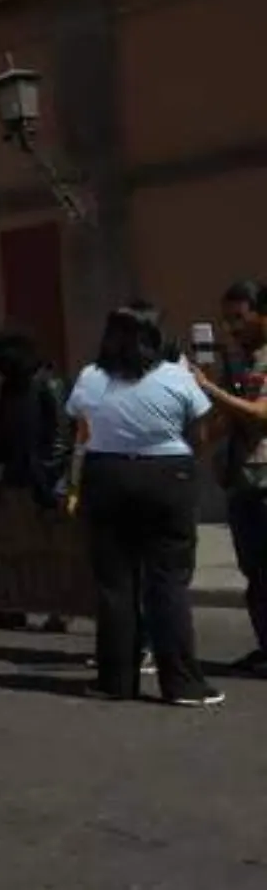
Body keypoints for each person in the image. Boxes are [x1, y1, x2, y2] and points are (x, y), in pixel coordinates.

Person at [66, 304, 221, 706]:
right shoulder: (176, 377)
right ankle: (182, 683)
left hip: (107, 474)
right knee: (168, 581)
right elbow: (201, 433)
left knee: (115, 584)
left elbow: (81, 432)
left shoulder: (90, 378)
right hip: (167, 473)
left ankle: (115, 681)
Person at [192, 280, 267, 675]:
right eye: (226, 321)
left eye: (239, 318)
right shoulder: (238, 362)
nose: (232, 328)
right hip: (241, 480)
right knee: (254, 573)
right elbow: (225, 420)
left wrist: (209, 388)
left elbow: (259, 413)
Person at [0, 328, 73, 632]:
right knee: (12, 549)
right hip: (14, 475)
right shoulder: (9, 388)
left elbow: (60, 437)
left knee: (52, 550)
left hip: (45, 480)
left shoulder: (50, 383)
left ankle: (60, 610)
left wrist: (47, 477)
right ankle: (13, 607)